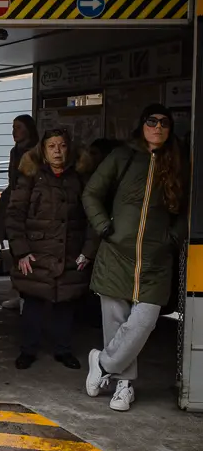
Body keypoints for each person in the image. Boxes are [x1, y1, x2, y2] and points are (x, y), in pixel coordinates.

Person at [83, 104, 187, 411]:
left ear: (170, 130)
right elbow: (91, 193)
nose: (157, 127)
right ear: (141, 125)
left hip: (156, 260)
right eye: (151, 121)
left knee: (143, 322)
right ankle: (124, 386)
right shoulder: (123, 156)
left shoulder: (178, 164)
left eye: (164, 123)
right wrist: (104, 227)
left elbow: (185, 209)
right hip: (117, 253)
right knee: (116, 323)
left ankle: (101, 363)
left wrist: (172, 239)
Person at [6, 129, 97, 370]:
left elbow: (93, 217)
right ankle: (28, 350)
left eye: (62, 145)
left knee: (66, 305)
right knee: (33, 304)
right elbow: (14, 215)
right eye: (52, 146)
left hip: (70, 250)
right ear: (43, 150)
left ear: (70, 148)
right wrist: (21, 251)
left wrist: (88, 251)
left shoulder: (80, 178)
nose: (57, 151)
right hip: (36, 251)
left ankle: (63, 350)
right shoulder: (31, 176)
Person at [0, 115, 39, 309]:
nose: (14, 131)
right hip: (13, 201)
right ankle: (19, 292)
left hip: (31, 205)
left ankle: (28, 296)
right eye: (13, 127)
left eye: (18, 127)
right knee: (14, 248)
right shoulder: (14, 151)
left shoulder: (36, 152)